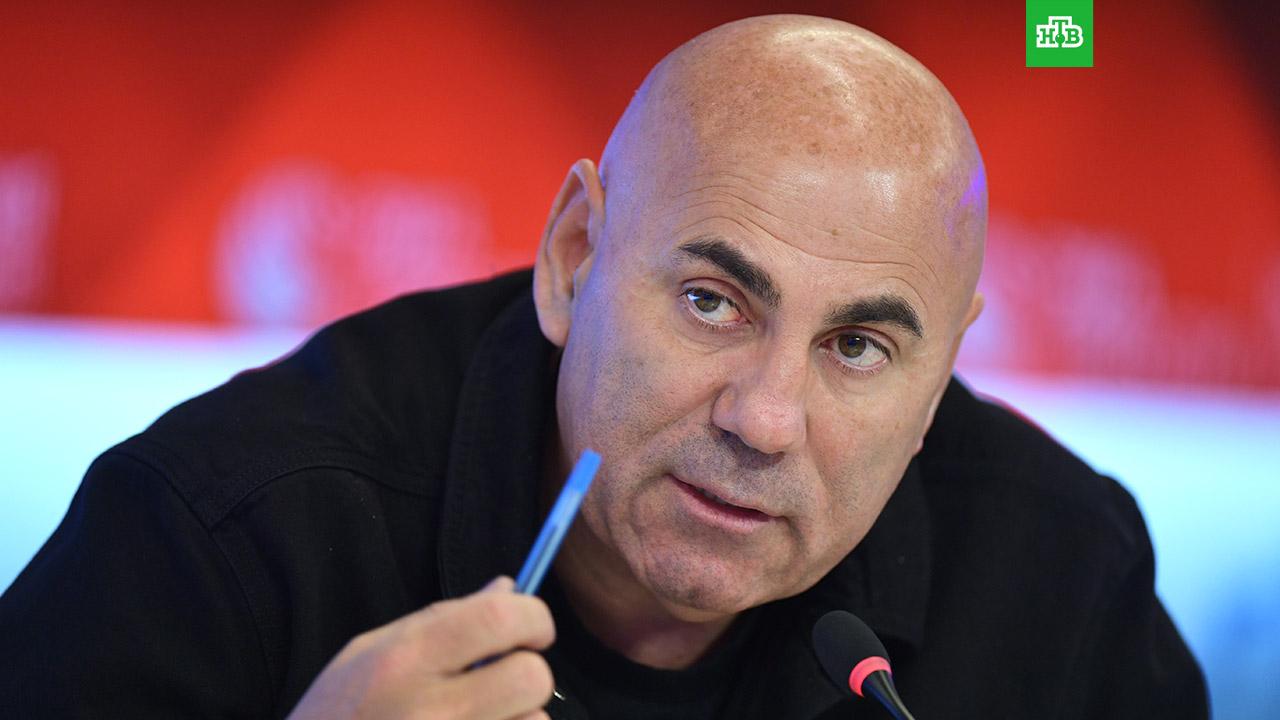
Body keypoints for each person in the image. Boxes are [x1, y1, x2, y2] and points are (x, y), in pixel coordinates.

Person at [0, 14, 1206, 719]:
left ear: (939, 375)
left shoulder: (1060, 584)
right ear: (573, 258)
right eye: (709, 302)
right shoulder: (228, 524)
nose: (763, 418)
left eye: (856, 347)